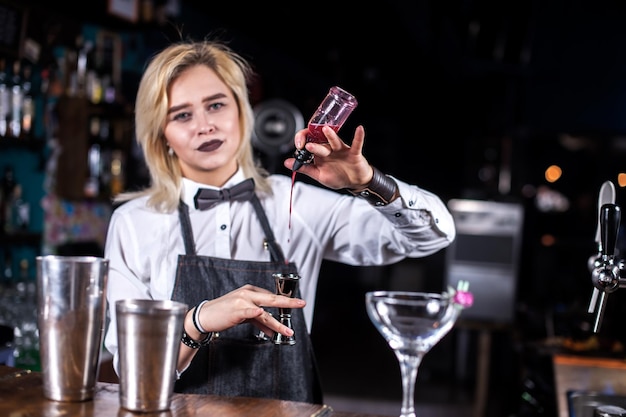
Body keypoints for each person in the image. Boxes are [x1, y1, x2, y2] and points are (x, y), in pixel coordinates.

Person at [103, 38, 456, 404]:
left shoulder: (298, 203)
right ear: (161, 134)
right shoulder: (135, 223)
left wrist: (369, 182)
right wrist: (198, 321)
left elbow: (432, 237)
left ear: (243, 111)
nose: (205, 125)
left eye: (216, 105)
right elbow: (134, 373)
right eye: (182, 115)